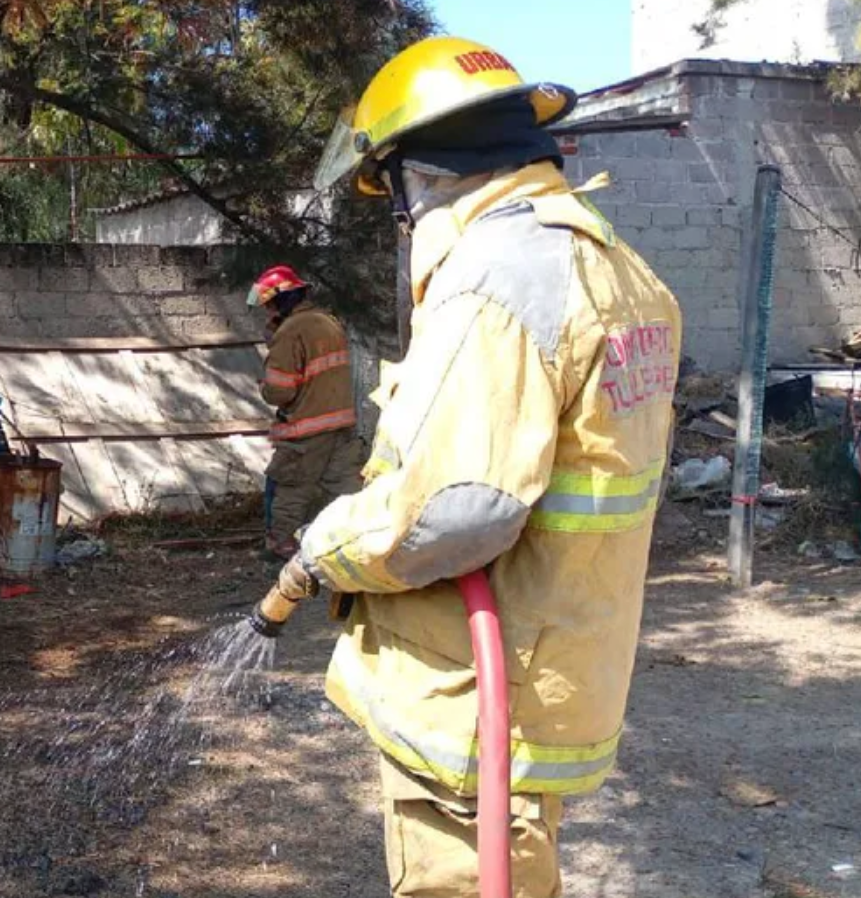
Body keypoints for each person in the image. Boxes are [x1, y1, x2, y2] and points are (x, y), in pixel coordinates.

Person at [252, 36, 683, 897]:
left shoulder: (495, 279)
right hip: (553, 655)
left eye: (392, 194)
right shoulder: (609, 263)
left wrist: (322, 547)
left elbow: (456, 511)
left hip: (473, 686)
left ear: (418, 177)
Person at [248, 264, 364, 560]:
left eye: (269, 305)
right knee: (345, 490)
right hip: (341, 423)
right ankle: (353, 543)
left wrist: (264, 387)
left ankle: (281, 545)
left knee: (289, 487)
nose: (268, 312)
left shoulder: (290, 331)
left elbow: (280, 391)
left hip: (306, 428)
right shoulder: (328, 321)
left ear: (281, 300)